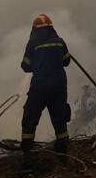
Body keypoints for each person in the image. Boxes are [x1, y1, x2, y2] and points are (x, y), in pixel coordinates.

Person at [20, 13, 72, 167]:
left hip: (40, 88)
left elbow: (25, 66)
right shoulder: (60, 42)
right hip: (59, 87)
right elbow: (67, 61)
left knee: (30, 118)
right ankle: (63, 155)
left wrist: (39, 62)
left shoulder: (32, 45)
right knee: (60, 120)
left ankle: (28, 156)